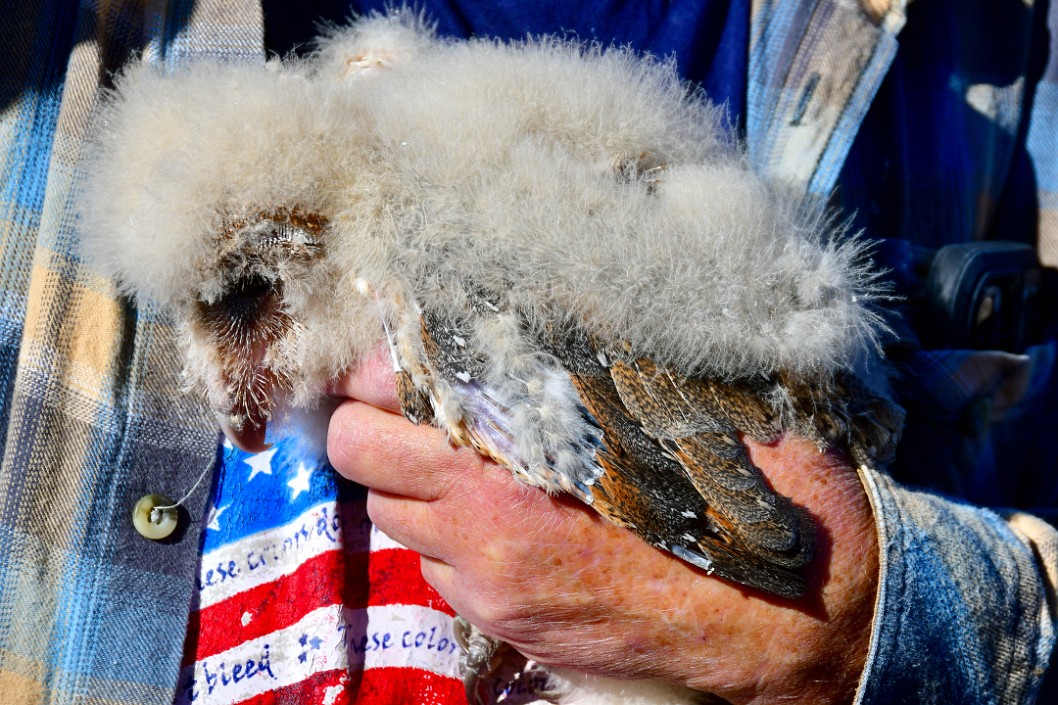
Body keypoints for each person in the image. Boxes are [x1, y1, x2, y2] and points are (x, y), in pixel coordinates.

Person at [0, 1, 1055, 704]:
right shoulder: (42, 51)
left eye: (237, 305)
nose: (227, 399)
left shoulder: (994, 44)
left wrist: (858, 616)